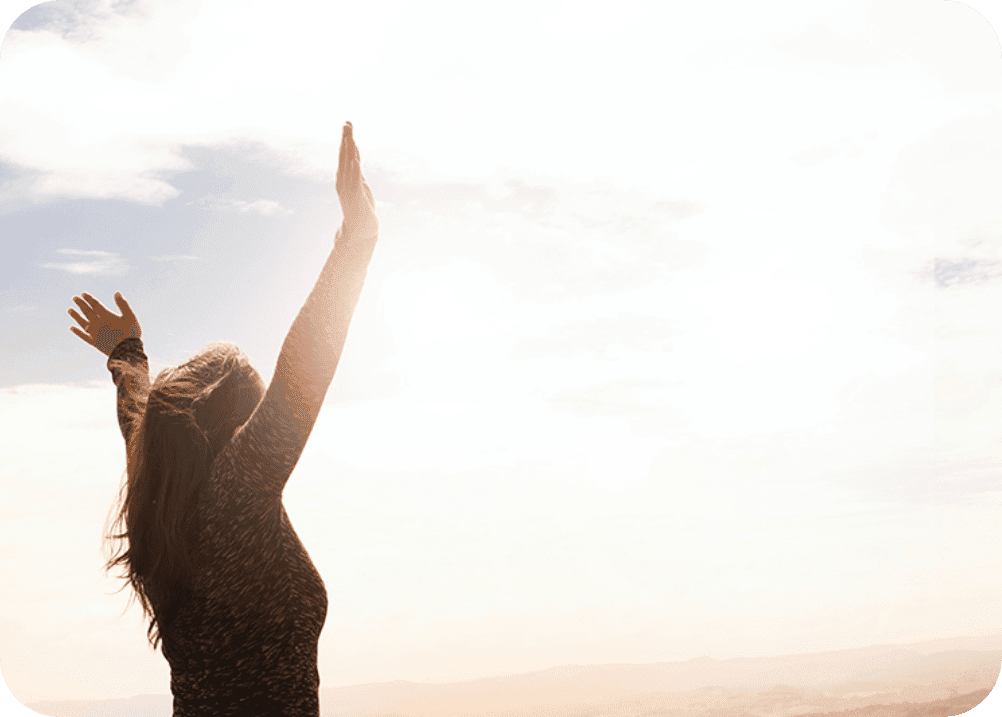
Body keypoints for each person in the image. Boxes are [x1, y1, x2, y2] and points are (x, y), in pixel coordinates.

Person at [66, 122, 379, 716]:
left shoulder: (162, 503)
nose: (264, 425)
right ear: (231, 429)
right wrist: (357, 239)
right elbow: (302, 374)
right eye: (255, 414)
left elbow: (139, 422)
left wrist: (128, 356)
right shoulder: (233, 499)